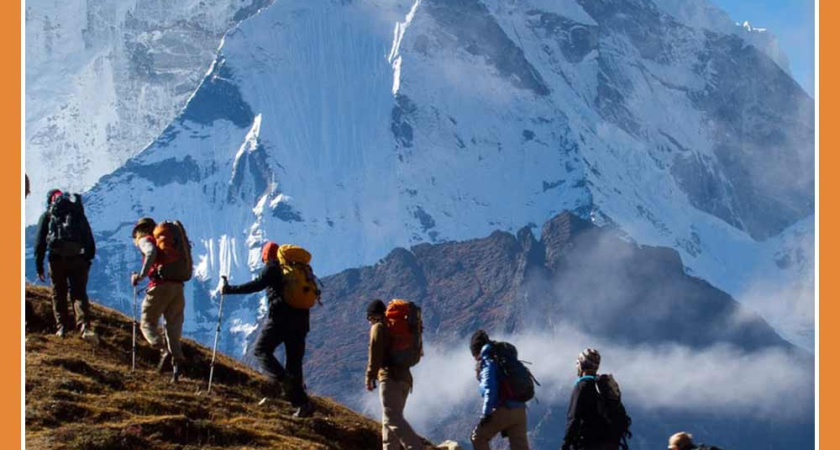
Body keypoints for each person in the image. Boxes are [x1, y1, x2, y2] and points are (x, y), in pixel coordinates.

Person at [221, 241, 315, 418]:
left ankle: (284, 383)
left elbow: (256, 285)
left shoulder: (272, 268)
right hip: (302, 321)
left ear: (266, 256)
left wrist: (229, 290)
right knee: (294, 362)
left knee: (261, 350)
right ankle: (302, 404)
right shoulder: (298, 269)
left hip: (280, 319)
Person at [34, 189, 96, 339]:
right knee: (79, 293)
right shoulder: (76, 213)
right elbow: (88, 238)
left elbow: (39, 242)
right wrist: (87, 259)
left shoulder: (48, 215)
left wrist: (39, 266)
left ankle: (61, 327)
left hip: (56, 260)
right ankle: (84, 326)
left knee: (58, 293)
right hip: (78, 259)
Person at [131, 217, 186, 382]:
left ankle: (163, 350)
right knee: (172, 328)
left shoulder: (146, 240)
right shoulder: (168, 244)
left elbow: (150, 252)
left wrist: (140, 276)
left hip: (160, 286)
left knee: (147, 323)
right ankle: (176, 368)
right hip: (178, 288)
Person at [365, 299, 424, 450]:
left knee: (393, 418)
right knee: (388, 421)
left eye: (369, 318)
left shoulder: (378, 327)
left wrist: (370, 376)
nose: (369, 322)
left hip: (390, 378)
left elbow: (375, 353)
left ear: (373, 316)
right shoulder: (395, 328)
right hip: (405, 380)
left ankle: (416, 447)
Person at [468, 330, 529, 450]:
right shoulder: (503, 354)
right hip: (521, 409)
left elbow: (490, 388)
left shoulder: (488, 358)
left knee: (478, 437)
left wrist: (486, 414)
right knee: (520, 447)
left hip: (505, 408)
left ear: (476, 350)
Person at [561, 348, 618, 450]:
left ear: (582, 364)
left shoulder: (581, 386)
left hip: (588, 443)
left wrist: (565, 445)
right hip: (610, 444)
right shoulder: (604, 387)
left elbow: (574, 419)